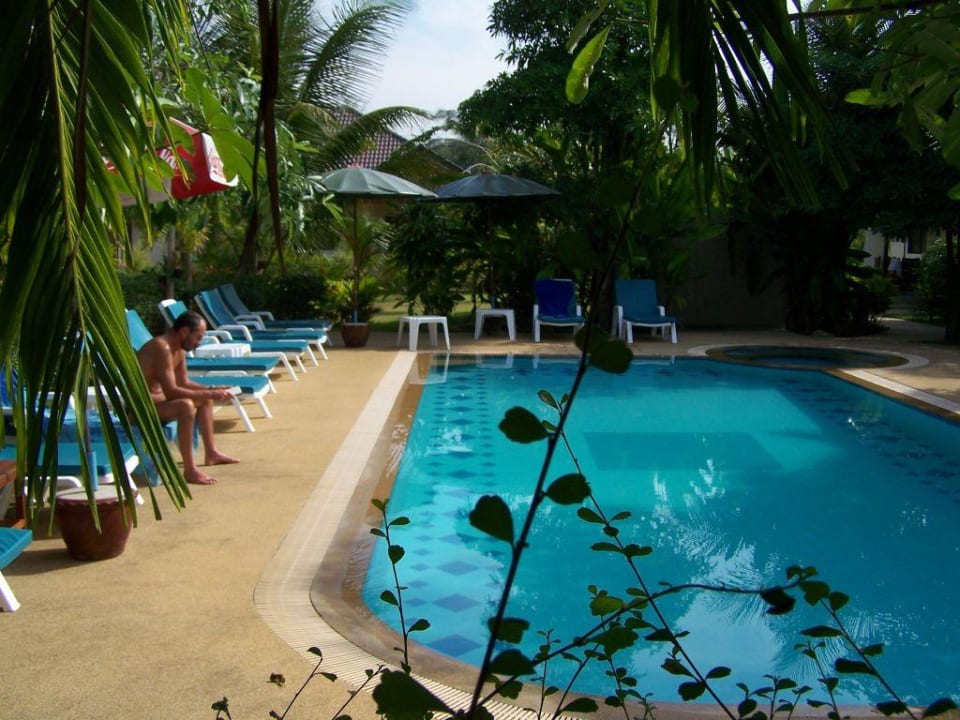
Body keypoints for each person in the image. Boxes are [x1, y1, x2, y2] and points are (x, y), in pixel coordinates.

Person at [136, 310, 239, 485]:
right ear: (184, 332)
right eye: (198, 337)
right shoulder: (161, 347)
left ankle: (211, 453)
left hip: (160, 402)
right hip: (141, 408)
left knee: (205, 399)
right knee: (185, 406)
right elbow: (172, 392)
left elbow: (183, 382)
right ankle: (190, 470)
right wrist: (210, 393)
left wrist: (211, 390)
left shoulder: (179, 349)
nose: (199, 342)